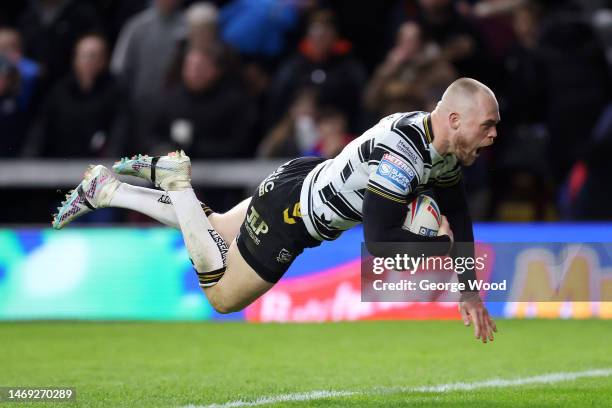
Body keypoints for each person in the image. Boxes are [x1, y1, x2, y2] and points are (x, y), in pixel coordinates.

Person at [52, 78, 499, 343]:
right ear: (455, 120)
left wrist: (468, 289)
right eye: (488, 125)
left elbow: (458, 214)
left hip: (300, 178)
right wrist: (432, 246)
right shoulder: (403, 157)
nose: (494, 135)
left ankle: (106, 190)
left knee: (212, 230)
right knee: (223, 297)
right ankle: (176, 180)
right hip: (295, 217)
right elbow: (379, 243)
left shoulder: (437, 146)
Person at [24, 34, 128, 158]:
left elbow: (119, 134)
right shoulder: (60, 92)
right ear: (75, 59)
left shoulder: (116, 93)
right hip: (59, 165)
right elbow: (40, 132)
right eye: (83, 56)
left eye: (93, 56)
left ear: (104, 60)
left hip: (100, 167)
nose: (88, 61)